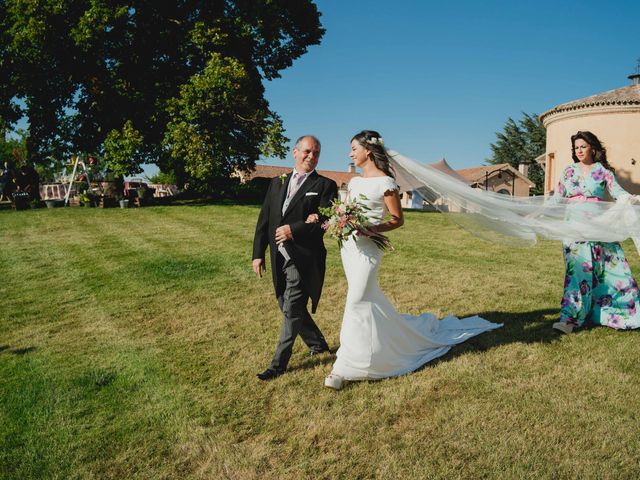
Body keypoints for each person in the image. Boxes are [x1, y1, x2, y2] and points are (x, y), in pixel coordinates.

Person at [313, 131, 501, 390]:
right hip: (349, 247)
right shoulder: (354, 182)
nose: (350, 153)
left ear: (368, 150)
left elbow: (397, 219)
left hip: (369, 248)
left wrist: (373, 229)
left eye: (353, 148)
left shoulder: (386, 182)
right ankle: (375, 346)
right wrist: (338, 221)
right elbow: (345, 210)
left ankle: (344, 365)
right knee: (365, 300)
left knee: (356, 298)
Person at [252, 135, 339, 381]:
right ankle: (318, 344)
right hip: (277, 256)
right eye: (308, 151)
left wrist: (296, 229)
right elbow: (265, 220)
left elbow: (325, 221)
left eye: (316, 153)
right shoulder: (277, 182)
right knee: (285, 303)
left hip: (303, 256)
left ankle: (277, 366)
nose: (311, 157)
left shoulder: (325, 185)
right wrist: (258, 254)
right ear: (295, 152)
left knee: (291, 309)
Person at [551, 131, 640, 334]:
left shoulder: (604, 171)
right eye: (576, 148)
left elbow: (618, 193)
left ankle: (618, 311)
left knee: (610, 269)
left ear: (592, 147)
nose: (579, 150)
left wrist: (631, 198)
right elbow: (557, 198)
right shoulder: (568, 171)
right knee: (577, 271)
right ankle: (570, 319)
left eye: (583, 146)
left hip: (599, 226)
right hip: (573, 228)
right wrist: (534, 212)